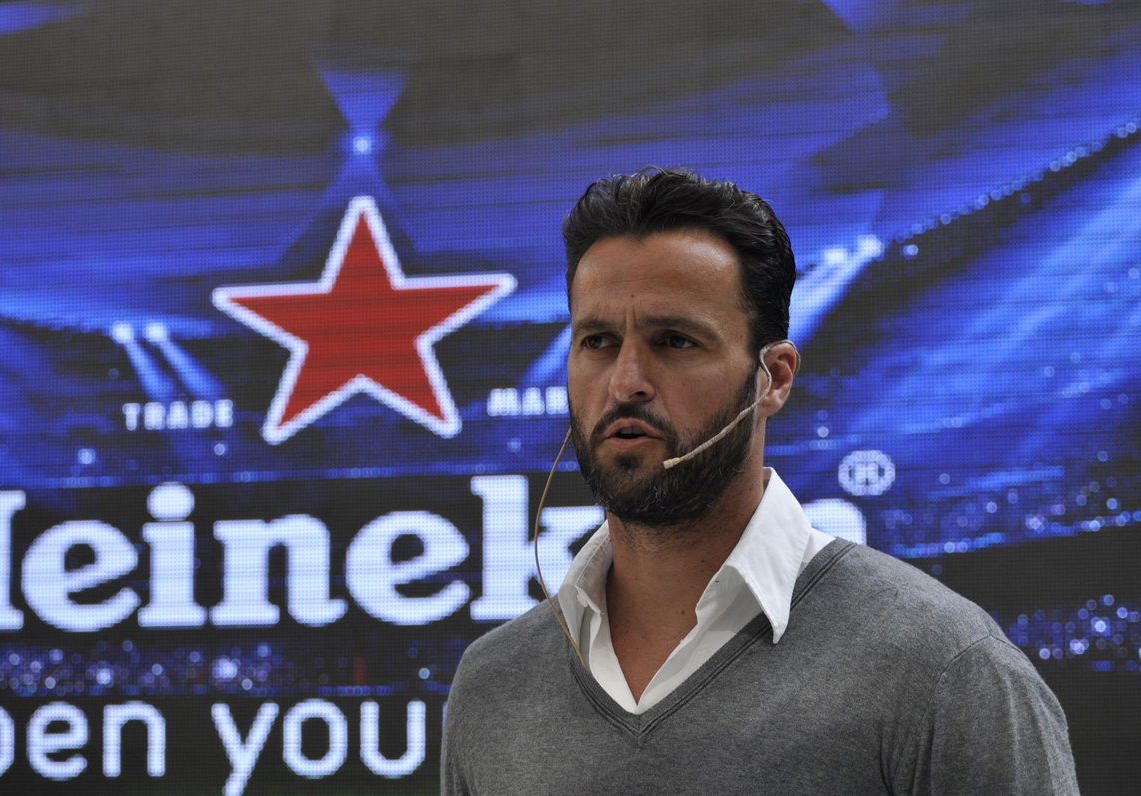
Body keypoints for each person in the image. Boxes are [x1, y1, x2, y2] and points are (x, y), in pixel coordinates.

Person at [442, 168, 1078, 794]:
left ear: (773, 378)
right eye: (598, 341)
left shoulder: (942, 667)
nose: (626, 381)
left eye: (675, 341)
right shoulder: (495, 683)